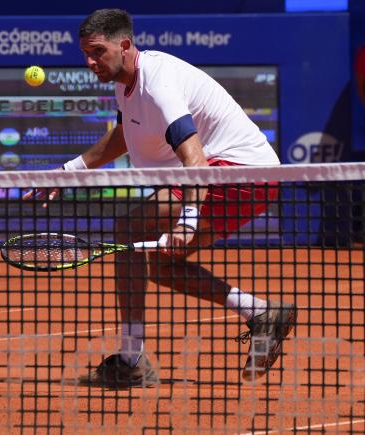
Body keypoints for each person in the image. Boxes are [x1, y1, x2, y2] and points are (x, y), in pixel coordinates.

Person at [25, 9, 296, 387]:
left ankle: (132, 358)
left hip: (238, 172)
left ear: (124, 45)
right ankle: (262, 312)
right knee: (164, 267)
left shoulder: (158, 84)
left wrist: (187, 216)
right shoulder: (126, 85)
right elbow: (122, 136)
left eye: (98, 52)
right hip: (247, 182)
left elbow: (194, 157)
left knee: (128, 227)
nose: (90, 62)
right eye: (85, 54)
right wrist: (70, 170)